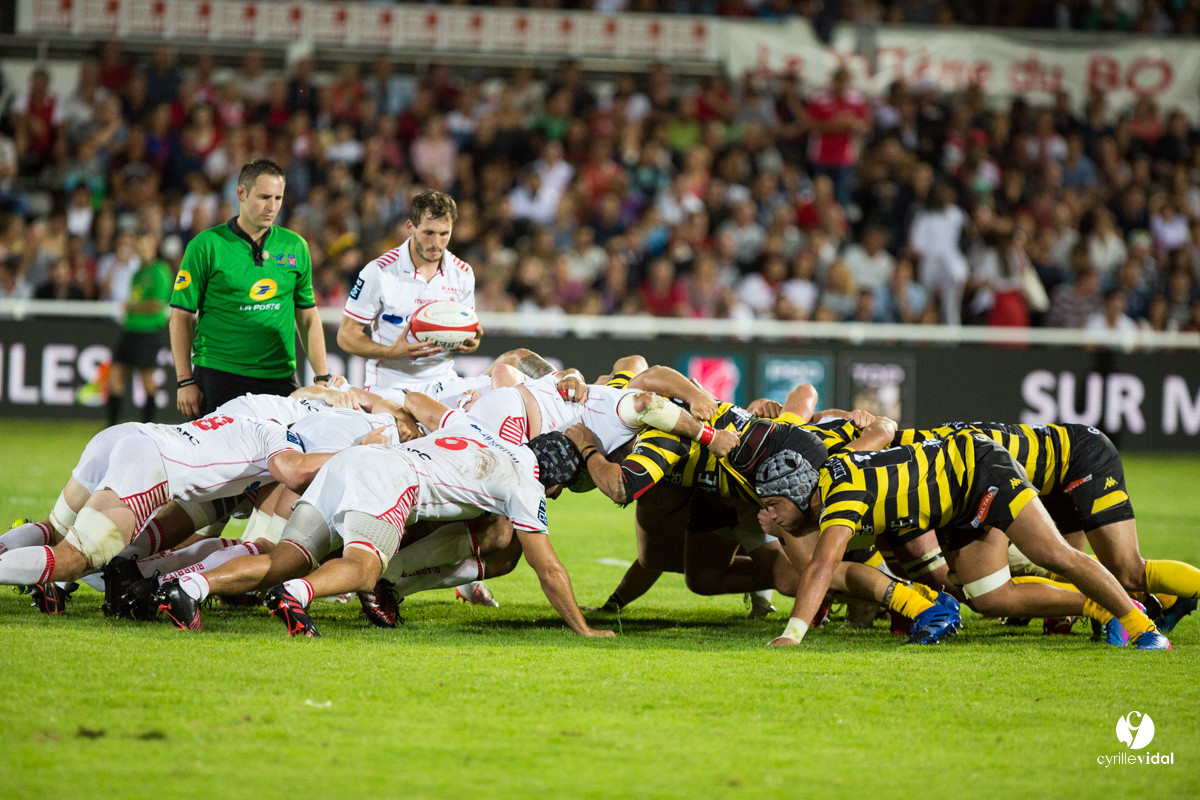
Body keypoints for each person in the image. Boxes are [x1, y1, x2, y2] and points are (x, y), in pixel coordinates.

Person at [151, 391, 614, 639]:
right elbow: (547, 567)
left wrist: (401, 410)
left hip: (353, 460)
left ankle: (190, 588)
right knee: (363, 570)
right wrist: (584, 628)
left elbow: (418, 401)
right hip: (390, 478)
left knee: (283, 558)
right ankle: (294, 595)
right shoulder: (526, 484)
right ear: (556, 481)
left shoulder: (479, 429)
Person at [749, 429, 1170, 651]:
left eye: (773, 504)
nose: (768, 514)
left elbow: (822, 567)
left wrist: (792, 634)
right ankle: (1101, 607)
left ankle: (1145, 628)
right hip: (954, 505)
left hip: (982, 469)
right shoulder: (828, 484)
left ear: (799, 491)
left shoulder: (841, 497)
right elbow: (883, 430)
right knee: (989, 598)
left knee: (1053, 554)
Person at [0, 412, 334, 611]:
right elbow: (294, 470)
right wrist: (348, 454)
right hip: (150, 462)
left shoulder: (250, 419)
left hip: (129, 435)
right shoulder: (284, 438)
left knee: (54, 530)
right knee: (74, 558)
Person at [169, 159, 332, 419]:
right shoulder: (206, 245)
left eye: (278, 198)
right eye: (264, 197)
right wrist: (184, 380)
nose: (272, 206)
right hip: (219, 377)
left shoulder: (295, 246)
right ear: (241, 193)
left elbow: (307, 316)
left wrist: (322, 377)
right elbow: (181, 316)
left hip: (279, 379)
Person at [337, 189, 485, 407]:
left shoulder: (463, 273)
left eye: (444, 234)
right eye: (429, 233)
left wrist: (468, 343)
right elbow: (346, 335)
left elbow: (465, 334)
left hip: (443, 383)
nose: (436, 243)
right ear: (410, 227)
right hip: (389, 386)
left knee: (497, 394)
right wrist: (390, 353)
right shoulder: (379, 271)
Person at [107, 232, 173, 427]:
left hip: (148, 332)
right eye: (140, 246)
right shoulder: (138, 273)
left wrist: (132, 307)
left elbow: (157, 304)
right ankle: (112, 426)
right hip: (130, 330)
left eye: (146, 246)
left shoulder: (160, 270)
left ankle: (148, 426)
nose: (143, 250)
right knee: (114, 377)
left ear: (154, 247)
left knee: (147, 381)